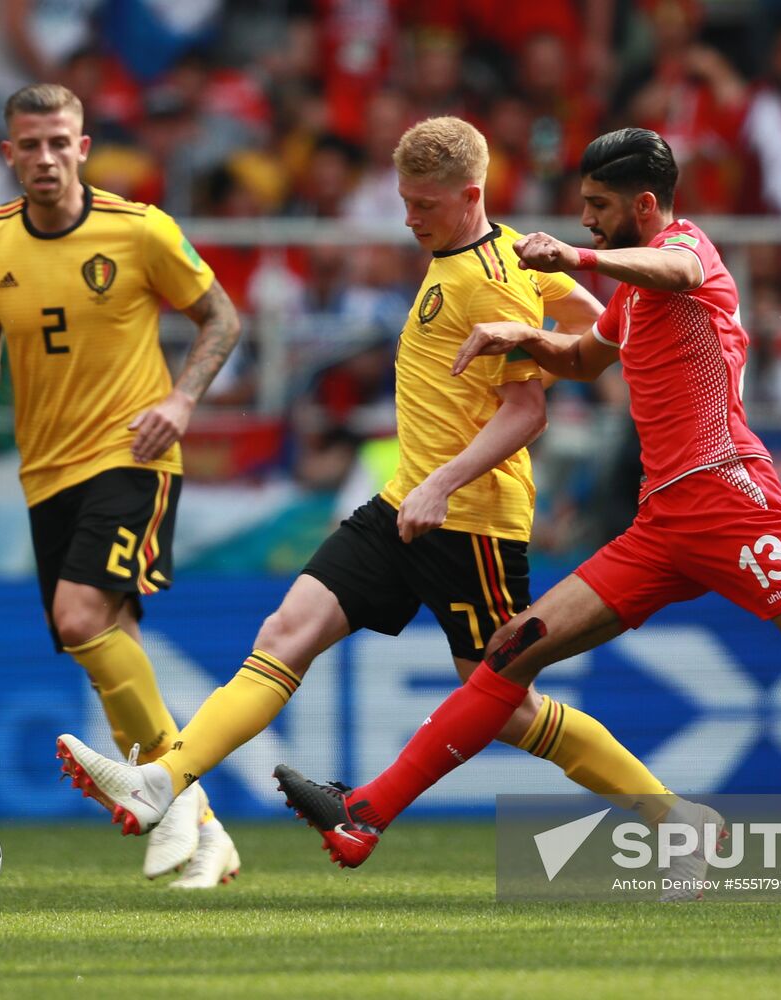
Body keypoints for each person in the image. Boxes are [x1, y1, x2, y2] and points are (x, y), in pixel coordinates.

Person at [263, 128, 781, 896]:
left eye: (596, 207)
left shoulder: (685, 248)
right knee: (513, 651)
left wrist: (579, 262)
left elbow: (681, 276)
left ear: (644, 207)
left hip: (731, 498)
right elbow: (586, 360)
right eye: (581, 209)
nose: (584, 221)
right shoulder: (627, 283)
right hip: (661, 523)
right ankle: (366, 813)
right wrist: (521, 337)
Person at [55, 117, 721, 900]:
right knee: (285, 633)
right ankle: (161, 781)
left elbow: (525, 415)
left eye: (425, 205)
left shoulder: (487, 275)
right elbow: (589, 323)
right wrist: (567, 344)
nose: (409, 217)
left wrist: (445, 480)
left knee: (508, 708)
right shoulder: (487, 254)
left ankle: (677, 823)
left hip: (470, 518)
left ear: (470, 195)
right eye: (404, 201)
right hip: (404, 502)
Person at [0, 83, 243, 889]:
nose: (44, 158)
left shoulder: (140, 230)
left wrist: (182, 401)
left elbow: (221, 318)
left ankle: (171, 800)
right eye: (28, 145)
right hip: (44, 472)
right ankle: (206, 829)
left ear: (83, 148)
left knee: (78, 615)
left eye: (59, 143)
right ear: (7, 154)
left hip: (133, 455)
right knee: (114, 646)